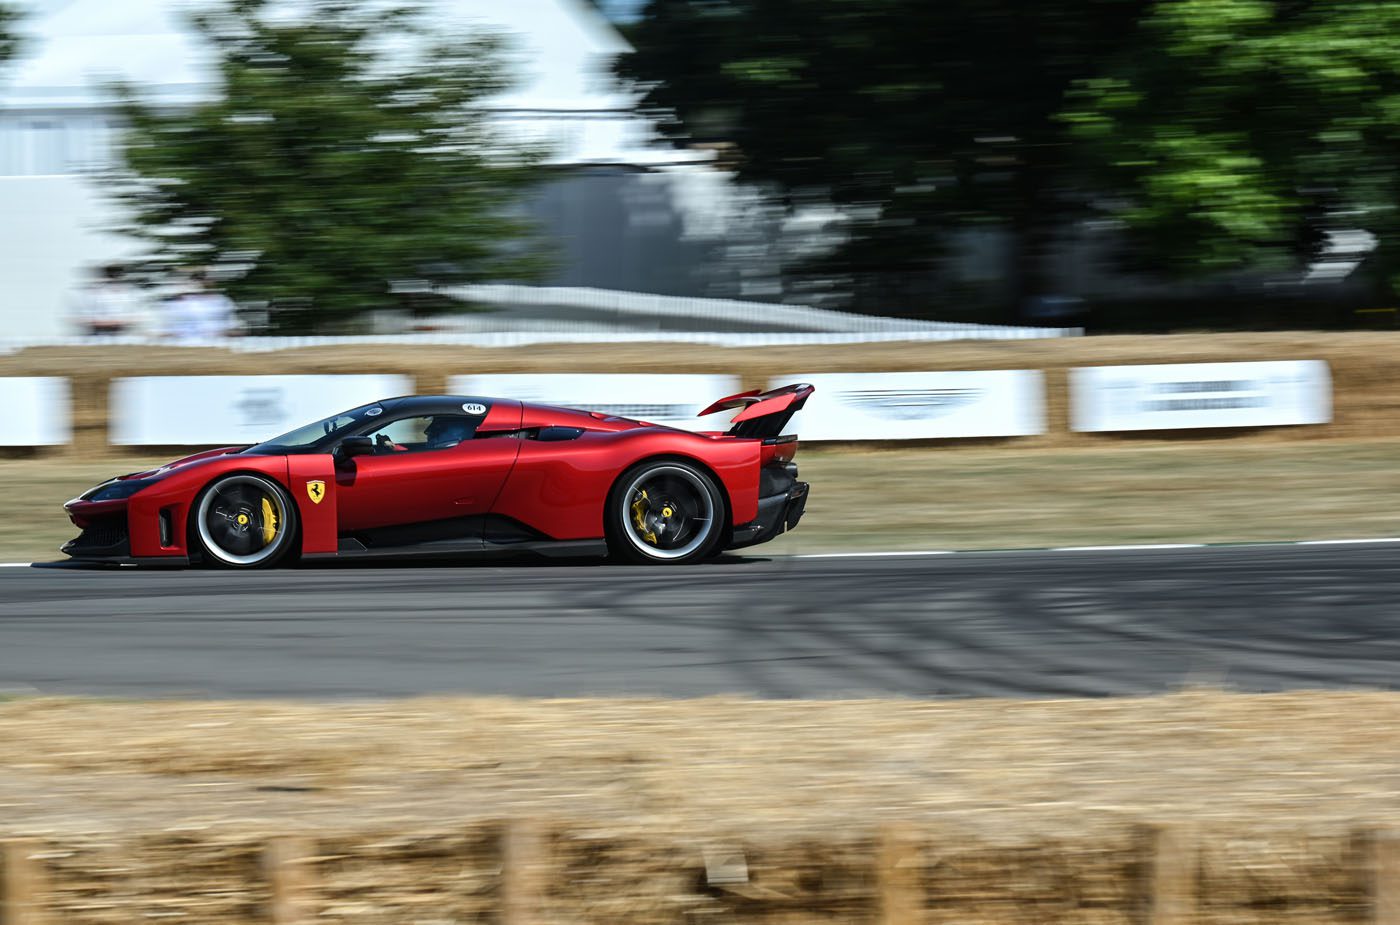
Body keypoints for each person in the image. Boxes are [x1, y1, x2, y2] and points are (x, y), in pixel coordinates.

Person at [70, 264, 155, 336]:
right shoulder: (94, 293)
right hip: (98, 333)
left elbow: (142, 315)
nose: (114, 278)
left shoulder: (132, 292)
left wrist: (122, 321)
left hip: (125, 332)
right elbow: (81, 316)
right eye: (112, 276)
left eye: (117, 275)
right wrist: (100, 322)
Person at [162, 270, 239, 341]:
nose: (203, 282)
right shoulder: (179, 302)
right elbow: (167, 329)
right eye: (199, 279)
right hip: (184, 345)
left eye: (208, 279)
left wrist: (221, 334)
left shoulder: (222, 300)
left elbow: (233, 327)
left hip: (215, 344)